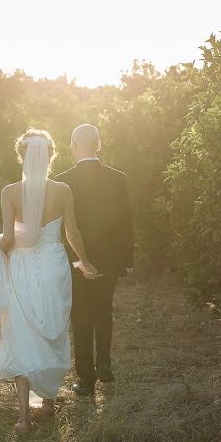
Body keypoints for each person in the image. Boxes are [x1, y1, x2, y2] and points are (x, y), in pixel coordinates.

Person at [0, 128, 99, 434]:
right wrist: (85, 261)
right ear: (50, 156)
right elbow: (72, 234)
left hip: (21, 269)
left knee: (21, 335)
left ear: (22, 157)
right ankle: (48, 402)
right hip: (53, 268)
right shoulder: (63, 190)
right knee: (53, 331)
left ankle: (24, 417)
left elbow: (10, 239)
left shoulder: (9, 192)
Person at [56, 124, 134, 395]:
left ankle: (86, 380)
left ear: (73, 146)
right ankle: (105, 368)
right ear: (98, 145)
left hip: (77, 260)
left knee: (80, 317)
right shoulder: (118, 178)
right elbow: (126, 223)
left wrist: (73, 260)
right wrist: (126, 260)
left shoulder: (62, 179)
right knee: (104, 312)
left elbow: (62, 228)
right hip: (110, 259)